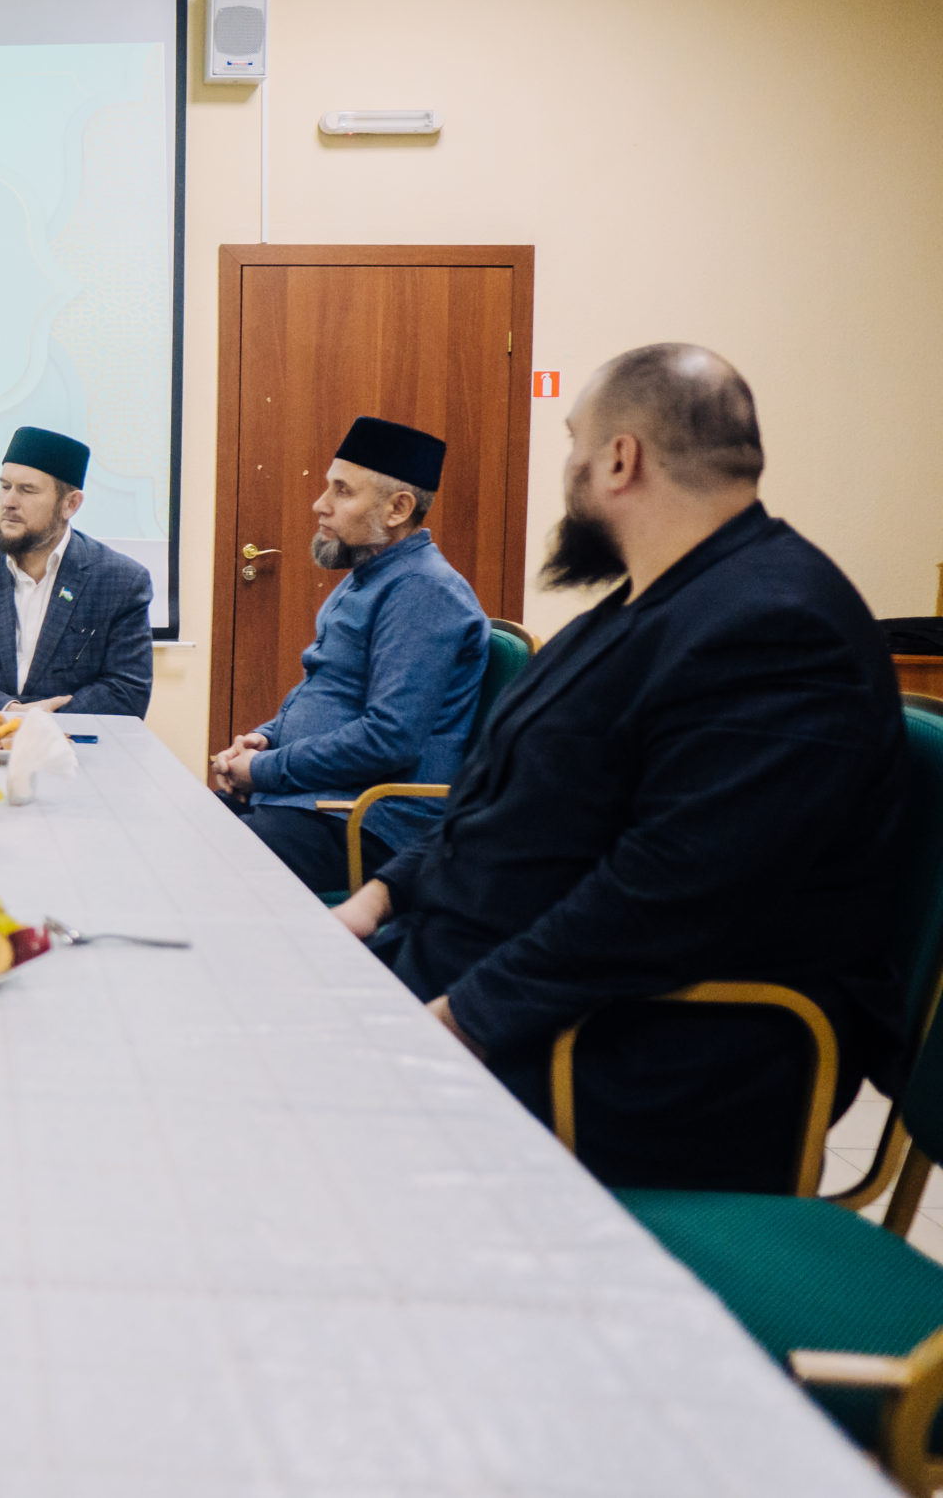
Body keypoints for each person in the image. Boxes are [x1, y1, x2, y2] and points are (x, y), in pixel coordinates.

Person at [334, 345, 909, 1193]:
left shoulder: (781, 625)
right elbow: (503, 792)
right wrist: (378, 897)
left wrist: (463, 1017)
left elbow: (673, 891)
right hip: (489, 981)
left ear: (619, 458)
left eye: (573, 443)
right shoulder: (655, 600)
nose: (568, 468)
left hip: (634, 1053)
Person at [209, 417, 489, 895]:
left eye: (342, 491)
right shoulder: (371, 574)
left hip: (369, 822)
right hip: (315, 802)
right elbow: (328, 689)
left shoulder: (423, 590)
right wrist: (265, 738)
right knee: (175, 832)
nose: (320, 504)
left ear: (398, 508)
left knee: (200, 866)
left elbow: (387, 739)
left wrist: (263, 770)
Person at [0, 427, 153, 718]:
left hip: (73, 740)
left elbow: (127, 690)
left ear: (70, 504)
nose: (9, 502)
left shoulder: (120, 580)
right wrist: (9, 711)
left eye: (27, 490)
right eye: (5, 487)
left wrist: (42, 720)